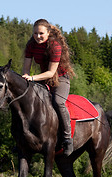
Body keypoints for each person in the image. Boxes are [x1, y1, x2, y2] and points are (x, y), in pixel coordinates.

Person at [22, 19, 75, 157]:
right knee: (27, 100)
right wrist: (26, 78)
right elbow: (26, 70)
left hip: (60, 79)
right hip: (42, 78)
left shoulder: (55, 46)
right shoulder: (31, 45)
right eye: (35, 33)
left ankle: (67, 139)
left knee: (58, 102)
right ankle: (24, 138)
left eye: (41, 33)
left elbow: (51, 73)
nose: (38, 36)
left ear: (48, 33)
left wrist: (32, 78)